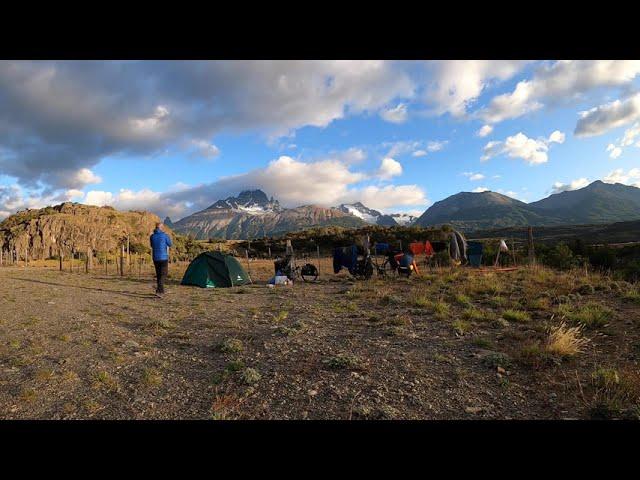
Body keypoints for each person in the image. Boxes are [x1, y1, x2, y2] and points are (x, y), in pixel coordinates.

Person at [150, 222, 172, 296]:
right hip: (163, 257)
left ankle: (160, 291)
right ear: (161, 227)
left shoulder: (152, 236)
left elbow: (152, 245)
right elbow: (170, 244)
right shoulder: (165, 235)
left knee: (158, 274)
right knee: (164, 274)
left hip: (155, 257)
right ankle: (159, 290)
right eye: (163, 227)